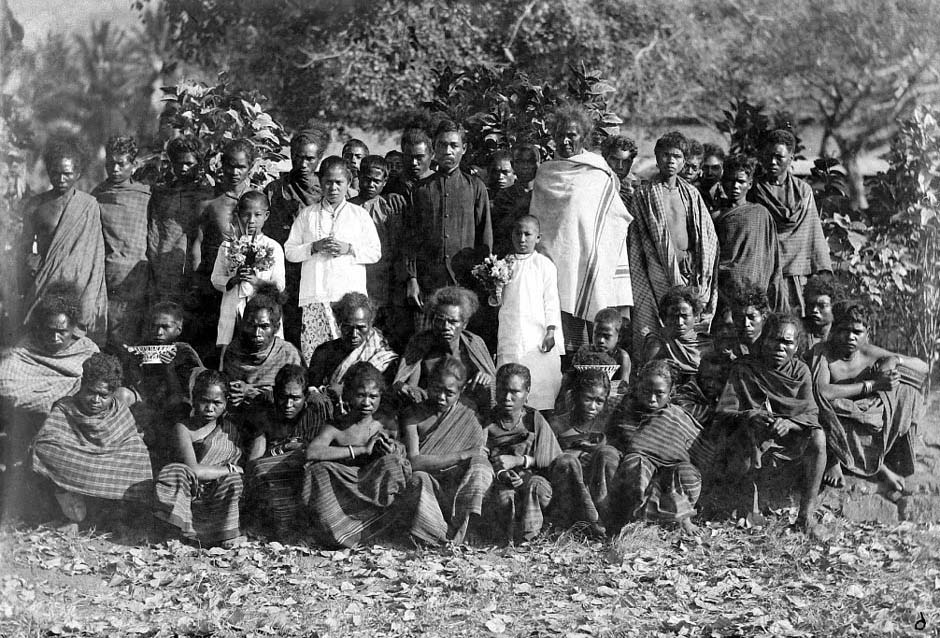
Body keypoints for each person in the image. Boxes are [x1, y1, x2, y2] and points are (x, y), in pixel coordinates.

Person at [530, 105, 634, 353]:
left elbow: (615, 218)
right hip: (554, 259)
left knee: (593, 327)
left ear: (583, 137)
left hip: (589, 258)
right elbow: (538, 220)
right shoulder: (545, 173)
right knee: (560, 324)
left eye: (572, 135)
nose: (565, 140)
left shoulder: (598, 172)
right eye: (560, 135)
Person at [715, 313, 826, 535]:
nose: (780, 347)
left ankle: (806, 516)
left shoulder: (800, 371)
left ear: (796, 346)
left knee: (819, 438)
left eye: (788, 342)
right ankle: (745, 510)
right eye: (775, 339)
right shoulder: (744, 368)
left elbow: (811, 413)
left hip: (788, 438)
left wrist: (790, 424)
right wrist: (749, 415)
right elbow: (724, 411)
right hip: (751, 434)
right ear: (763, 340)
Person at [811, 302, 927, 493]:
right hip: (833, 418)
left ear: (867, 332)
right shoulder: (822, 352)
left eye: (857, 332)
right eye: (844, 330)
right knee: (827, 407)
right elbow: (822, 392)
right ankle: (834, 460)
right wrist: (872, 385)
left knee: (907, 392)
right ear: (834, 329)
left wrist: (896, 360)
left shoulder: (869, 352)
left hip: (861, 417)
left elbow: (924, 367)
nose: (850, 337)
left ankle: (880, 465)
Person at [31, 353, 151, 533]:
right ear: (82, 386)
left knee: (139, 456)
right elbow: (47, 442)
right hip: (73, 478)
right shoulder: (65, 408)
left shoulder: (119, 412)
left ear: (113, 394)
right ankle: (72, 517)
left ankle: (107, 518)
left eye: (103, 395)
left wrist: (102, 464)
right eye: (90, 392)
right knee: (44, 450)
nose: (95, 400)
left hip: (109, 477)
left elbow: (133, 447)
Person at [628, 131, 718, 361]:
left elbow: (707, 235)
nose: (670, 160)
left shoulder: (691, 194)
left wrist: (695, 259)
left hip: (689, 273)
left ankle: (691, 370)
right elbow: (640, 238)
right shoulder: (645, 194)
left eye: (677, 156)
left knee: (688, 324)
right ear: (657, 158)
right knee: (661, 326)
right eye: (665, 155)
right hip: (657, 272)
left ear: (684, 161)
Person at [0, 287, 99, 492]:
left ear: (73, 328)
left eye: (62, 331)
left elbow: (93, 387)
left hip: (71, 427)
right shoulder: (27, 346)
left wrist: (60, 401)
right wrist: (53, 399)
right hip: (29, 420)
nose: (55, 337)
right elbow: (6, 383)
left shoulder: (87, 350)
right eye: (49, 330)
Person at [284, 156, 381, 363]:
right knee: (317, 356)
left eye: (339, 182)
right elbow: (290, 251)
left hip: (348, 299)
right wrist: (313, 247)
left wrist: (349, 249)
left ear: (348, 183)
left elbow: (375, 252)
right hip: (316, 296)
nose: (333, 188)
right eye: (328, 182)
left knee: (349, 355)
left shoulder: (359, 215)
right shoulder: (307, 215)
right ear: (320, 182)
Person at [303, 362, 410, 548]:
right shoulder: (337, 426)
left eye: (373, 396)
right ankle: (340, 533)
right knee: (318, 470)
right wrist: (361, 450)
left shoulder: (386, 423)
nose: (367, 403)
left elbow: (401, 457)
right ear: (348, 395)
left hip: (374, 488)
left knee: (392, 464)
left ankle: (380, 529)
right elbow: (312, 451)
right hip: (344, 490)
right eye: (361, 395)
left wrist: (391, 450)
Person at [606, 360, 713, 535]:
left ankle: (681, 518)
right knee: (634, 462)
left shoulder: (676, 415)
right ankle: (638, 519)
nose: (652, 399)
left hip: (672, 474)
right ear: (638, 387)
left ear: (670, 393)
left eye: (659, 393)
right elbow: (618, 442)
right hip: (641, 473)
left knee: (687, 473)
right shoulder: (626, 410)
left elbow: (700, 452)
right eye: (646, 392)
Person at [20, 136, 108, 344]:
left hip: (77, 288)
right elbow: (23, 246)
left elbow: (93, 259)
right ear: (49, 171)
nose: (61, 179)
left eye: (67, 174)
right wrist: (29, 258)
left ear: (77, 174)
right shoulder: (36, 206)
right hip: (43, 285)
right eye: (55, 173)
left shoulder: (88, 206)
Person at [399, 356, 493, 545]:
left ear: (461, 391)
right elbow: (414, 461)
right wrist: (462, 455)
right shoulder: (414, 416)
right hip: (431, 487)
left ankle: (466, 529)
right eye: (436, 389)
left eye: (449, 393)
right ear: (428, 385)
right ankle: (437, 534)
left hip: (460, 485)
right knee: (418, 478)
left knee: (481, 467)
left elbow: (481, 450)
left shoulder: (469, 411)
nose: (441, 397)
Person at [403, 119, 493, 311]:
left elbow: (484, 237)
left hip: (465, 281)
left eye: (454, 145)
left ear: (464, 148)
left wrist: (484, 280)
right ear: (434, 148)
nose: (448, 151)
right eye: (443, 145)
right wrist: (412, 279)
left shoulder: (475, 187)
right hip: (428, 282)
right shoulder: (420, 189)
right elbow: (410, 238)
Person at [153, 369, 245, 547]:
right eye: (204, 401)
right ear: (194, 399)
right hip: (188, 493)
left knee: (234, 480)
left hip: (216, 496)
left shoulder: (230, 431)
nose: (210, 408)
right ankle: (176, 532)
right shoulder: (183, 428)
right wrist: (228, 469)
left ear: (226, 403)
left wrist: (230, 473)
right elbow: (193, 469)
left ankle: (225, 534)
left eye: (216, 403)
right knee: (175, 471)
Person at [748, 130, 832, 315]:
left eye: (779, 157)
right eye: (768, 156)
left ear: (791, 158)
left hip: (796, 275)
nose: (772, 162)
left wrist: (820, 274)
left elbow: (813, 233)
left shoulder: (803, 191)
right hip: (763, 275)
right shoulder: (753, 189)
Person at [188, 139, 256, 355]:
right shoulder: (209, 202)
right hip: (215, 284)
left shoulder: (260, 200)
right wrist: (197, 282)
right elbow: (196, 243)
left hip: (247, 285)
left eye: (241, 167)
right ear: (222, 165)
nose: (235, 172)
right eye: (230, 166)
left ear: (251, 167)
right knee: (214, 344)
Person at [264, 126, 330, 347]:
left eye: (310, 159)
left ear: (319, 159)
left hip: (317, 270)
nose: (303, 164)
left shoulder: (327, 189)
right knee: (288, 324)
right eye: (298, 157)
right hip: (286, 270)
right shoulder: (275, 189)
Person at [482, 364, 562, 543]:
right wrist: (502, 474)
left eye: (515, 392)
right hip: (500, 480)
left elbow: (553, 458)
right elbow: (480, 457)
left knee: (536, 488)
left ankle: (531, 536)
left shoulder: (534, 420)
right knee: (505, 497)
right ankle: (508, 539)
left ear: (527, 393)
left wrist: (519, 460)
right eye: (502, 390)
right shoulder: (487, 423)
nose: (507, 398)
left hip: (534, 478)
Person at [122, 301, 203, 469]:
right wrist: (134, 365)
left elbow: (183, 394)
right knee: (122, 395)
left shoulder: (184, 352)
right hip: (147, 402)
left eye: (165, 327)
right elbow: (136, 386)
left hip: (175, 405)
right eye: (154, 326)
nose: (158, 332)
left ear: (178, 329)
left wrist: (169, 368)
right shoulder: (142, 348)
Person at [496, 215, 564, 412]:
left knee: (539, 374)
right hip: (511, 330)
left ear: (538, 238)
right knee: (510, 370)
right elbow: (497, 301)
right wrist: (495, 290)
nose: (522, 239)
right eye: (518, 233)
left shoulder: (544, 265)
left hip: (536, 332)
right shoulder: (503, 264)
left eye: (528, 234)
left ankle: (540, 416)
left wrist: (551, 331)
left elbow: (551, 300)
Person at [245, 364, 321, 538]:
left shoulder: (314, 414)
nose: (288, 404)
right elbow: (254, 461)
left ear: (306, 396)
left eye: (295, 398)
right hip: (272, 481)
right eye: (283, 397)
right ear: (274, 393)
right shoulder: (265, 414)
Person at [394, 286, 495, 414]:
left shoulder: (473, 345)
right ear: (432, 321)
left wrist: (487, 381)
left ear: (464, 324)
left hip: (467, 414)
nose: (446, 327)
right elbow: (409, 386)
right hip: (427, 416)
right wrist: (404, 388)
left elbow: (496, 387)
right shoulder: (421, 345)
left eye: (453, 322)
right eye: (440, 320)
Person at [92, 135, 151, 349]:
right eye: (110, 163)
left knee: (138, 333)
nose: (115, 169)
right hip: (110, 276)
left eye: (121, 163)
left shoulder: (145, 195)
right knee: (114, 334)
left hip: (140, 275)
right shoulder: (98, 196)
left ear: (133, 165)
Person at [548, 368, 619, 537]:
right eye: (588, 399)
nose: (593, 407)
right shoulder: (558, 424)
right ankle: (588, 521)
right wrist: (579, 452)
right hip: (568, 489)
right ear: (575, 396)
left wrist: (596, 449)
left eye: (599, 401)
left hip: (598, 485)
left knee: (608, 453)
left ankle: (606, 518)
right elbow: (550, 459)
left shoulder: (607, 424)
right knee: (567, 461)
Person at [306, 292, 398, 421]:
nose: (354, 334)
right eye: (347, 327)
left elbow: (383, 397)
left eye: (361, 328)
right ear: (339, 324)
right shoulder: (324, 352)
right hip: (329, 419)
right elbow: (312, 389)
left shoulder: (382, 357)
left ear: (371, 325)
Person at [210, 191, 285, 349]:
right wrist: (234, 280)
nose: (251, 220)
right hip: (234, 306)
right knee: (230, 348)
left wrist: (257, 282)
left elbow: (279, 285)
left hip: (262, 311)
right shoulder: (228, 246)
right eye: (246, 215)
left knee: (263, 348)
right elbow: (216, 278)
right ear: (237, 216)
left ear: (266, 216)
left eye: (257, 215)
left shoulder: (273, 247)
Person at [146, 135, 213, 308]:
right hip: (165, 267)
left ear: (199, 163)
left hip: (196, 269)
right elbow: (154, 231)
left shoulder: (207, 195)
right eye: (178, 162)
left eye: (189, 164)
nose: (183, 168)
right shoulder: (163, 194)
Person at [348, 155, 407, 344]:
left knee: (379, 325)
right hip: (353, 273)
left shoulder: (388, 208)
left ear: (384, 182)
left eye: (376, 181)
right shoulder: (347, 207)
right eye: (366, 179)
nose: (370, 185)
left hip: (380, 278)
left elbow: (396, 245)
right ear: (358, 176)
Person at [713, 154, 781, 313]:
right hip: (724, 292)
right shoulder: (716, 217)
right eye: (730, 180)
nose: (735, 186)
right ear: (723, 182)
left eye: (741, 181)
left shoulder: (760, 214)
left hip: (756, 292)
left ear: (750, 184)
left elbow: (772, 257)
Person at [220, 286, 303, 414]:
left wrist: (250, 392)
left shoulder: (288, 353)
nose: (256, 333)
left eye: (264, 327)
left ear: (276, 327)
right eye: (251, 325)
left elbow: (293, 395)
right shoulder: (234, 351)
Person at [643, 285, 713, 385]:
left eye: (685, 316)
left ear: (696, 316)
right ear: (664, 317)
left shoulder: (707, 343)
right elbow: (647, 375)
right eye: (673, 316)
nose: (679, 322)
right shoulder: (658, 341)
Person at [490, 144, 541, 257]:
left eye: (530, 162)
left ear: (538, 164)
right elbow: (499, 231)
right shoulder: (504, 196)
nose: (525, 166)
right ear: (513, 165)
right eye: (520, 162)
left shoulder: (545, 194)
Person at [673, 351, 731, 427]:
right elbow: (685, 409)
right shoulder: (688, 390)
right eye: (707, 378)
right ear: (699, 375)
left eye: (719, 380)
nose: (711, 384)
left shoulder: (723, 395)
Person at [798, 274, 843, 358]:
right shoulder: (797, 332)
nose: (814, 310)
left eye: (822, 305)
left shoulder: (842, 335)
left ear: (834, 306)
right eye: (811, 305)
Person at [384, 127, 434, 200]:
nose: (414, 163)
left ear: (432, 155)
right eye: (409, 157)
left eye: (419, 157)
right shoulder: (392, 185)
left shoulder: (440, 184)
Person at [729, 281, 770, 358]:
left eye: (752, 317)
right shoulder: (730, 348)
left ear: (763, 317)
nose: (746, 323)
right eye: (740, 317)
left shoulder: (772, 350)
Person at [600, 134, 638, 206]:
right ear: (605, 158)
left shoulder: (635, 190)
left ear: (631, 163)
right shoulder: (596, 185)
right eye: (614, 160)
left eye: (625, 162)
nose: (620, 166)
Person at [698, 143, 725, 212]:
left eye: (715, 168)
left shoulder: (727, 191)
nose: (710, 172)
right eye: (705, 168)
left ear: (722, 168)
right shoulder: (693, 192)